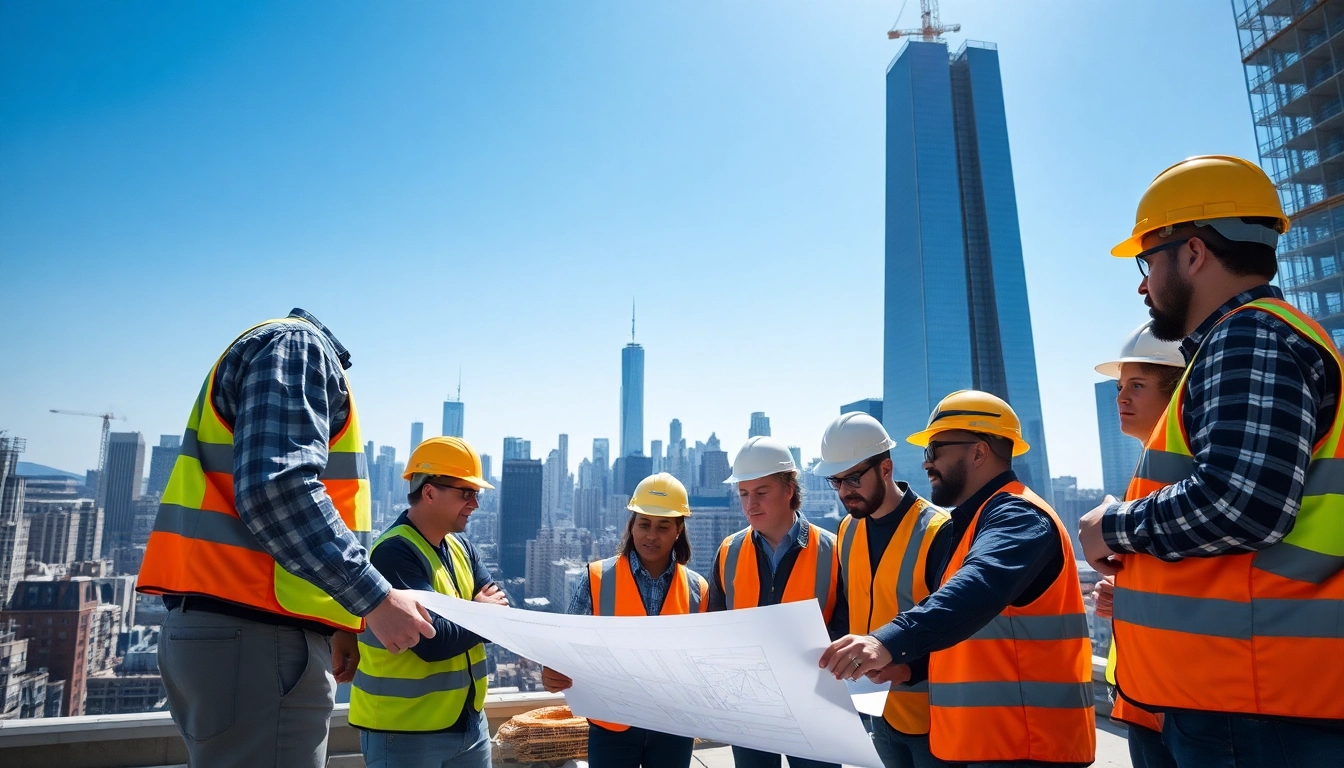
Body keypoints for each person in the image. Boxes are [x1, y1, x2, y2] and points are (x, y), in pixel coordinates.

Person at [1077, 155, 1344, 767]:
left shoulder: (1248, 337)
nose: (1143, 285)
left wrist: (1113, 525)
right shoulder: (1260, 339)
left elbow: (1241, 501)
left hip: (1254, 704)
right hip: (1250, 696)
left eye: (1147, 263)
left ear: (1193, 253)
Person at [137, 310, 436, 768]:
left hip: (233, 632)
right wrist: (373, 598)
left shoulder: (277, 347)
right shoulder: (299, 346)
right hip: (258, 637)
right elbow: (278, 489)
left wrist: (336, 621)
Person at [822, 391, 1095, 768]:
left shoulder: (1019, 516)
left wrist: (883, 642)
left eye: (935, 450)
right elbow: (965, 631)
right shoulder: (973, 523)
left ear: (979, 452)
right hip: (990, 740)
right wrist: (908, 666)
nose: (926, 463)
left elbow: (975, 589)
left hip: (1028, 744)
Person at [350, 436, 508, 768]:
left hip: (468, 723)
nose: (475, 504)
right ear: (430, 492)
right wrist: (481, 611)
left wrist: (477, 616)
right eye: (466, 493)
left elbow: (502, 614)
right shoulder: (394, 552)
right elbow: (430, 641)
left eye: (476, 494)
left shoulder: (462, 548)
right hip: (404, 731)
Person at [541, 472, 708, 768]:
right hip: (612, 728)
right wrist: (552, 670)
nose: (651, 535)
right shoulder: (596, 579)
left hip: (674, 728)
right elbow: (567, 645)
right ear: (631, 526)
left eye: (663, 526)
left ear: (678, 530)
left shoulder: (699, 590)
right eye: (643, 524)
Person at [813, 413, 951, 768]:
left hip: (933, 717)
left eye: (854, 478)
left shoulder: (938, 531)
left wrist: (907, 670)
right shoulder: (848, 530)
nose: (844, 491)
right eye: (836, 481)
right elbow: (848, 609)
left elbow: (957, 625)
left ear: (886, 469)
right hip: (875, 713)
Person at [712, 436, 847, 768]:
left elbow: (847, 631)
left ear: (789, 489)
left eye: (761, 492)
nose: (750, 504)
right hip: (750, 710)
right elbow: (715, 632)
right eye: (743, 493)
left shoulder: (834, 551)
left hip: (815, 710)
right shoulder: (728, 552)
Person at [1090, 322, 1184, 768]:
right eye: (1121, 386)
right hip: (1143, 697)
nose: (1121, 398)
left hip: (1183, 700)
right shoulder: (1146, 476)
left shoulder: (1185, 477)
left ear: (1178, 393)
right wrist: (1124, 595)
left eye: (1138, 386)